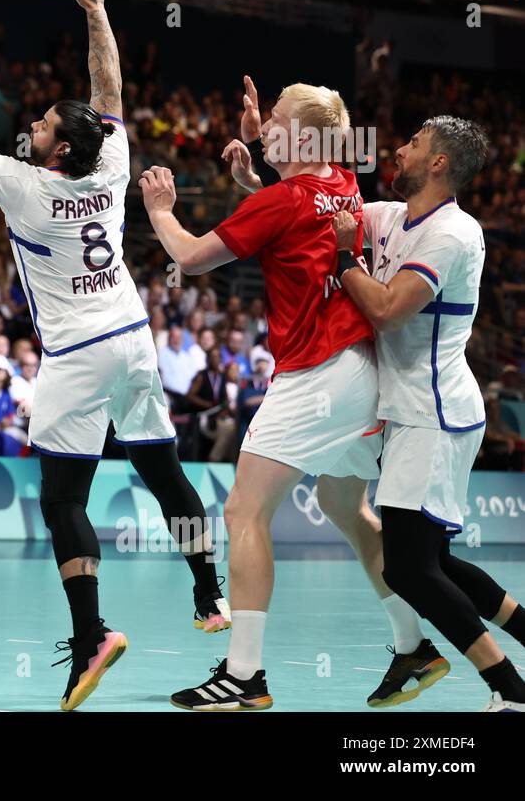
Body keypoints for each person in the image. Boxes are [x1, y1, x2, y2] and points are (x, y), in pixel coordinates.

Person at [0, 0, 228, 712]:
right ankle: (209, 596)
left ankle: (94, 634)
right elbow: (109, 88)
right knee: (165, 473)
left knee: (63, 501)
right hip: (135, 336)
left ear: (59, 151)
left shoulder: (24, 187)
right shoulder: (109, 165)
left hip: (78, 352)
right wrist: (97, 9)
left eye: (39, 125)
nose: (30, 126)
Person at [145, 77, 427, 711]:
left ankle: (244, 676)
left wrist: (161, 207)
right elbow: (295, 216)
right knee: (344, 507)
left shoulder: (284, 200)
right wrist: (258, 155)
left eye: (273, 117)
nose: (261, 121)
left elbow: (190, 258)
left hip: (317, 374)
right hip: (362, 373)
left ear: (304, 137)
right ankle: (413, 644)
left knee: (245, 512)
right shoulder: (342, 183)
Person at [334, 116, 525, 711]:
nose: (399, 147)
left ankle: (511, 690)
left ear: (439, 162)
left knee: (410, 572)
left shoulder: (455, 233)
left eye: (414, 141)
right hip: (413, 412)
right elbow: (309, 221)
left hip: (435, 414)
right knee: (433, 561)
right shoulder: (391, 215)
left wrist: (347, 261)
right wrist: (250, 180)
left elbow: (388, 309)